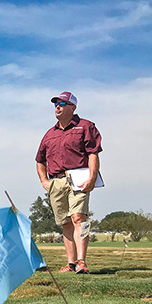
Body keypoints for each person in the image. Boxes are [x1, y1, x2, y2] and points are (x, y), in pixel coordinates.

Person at [35, 91, 102, 274]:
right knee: (65, 222)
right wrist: (44, 181)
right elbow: (40, 160)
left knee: (78, 217)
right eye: (56, 103)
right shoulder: (49, 134)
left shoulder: (85, 126)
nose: (58, 106)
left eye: (62, 104)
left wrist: (92, 177)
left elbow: (93, 154)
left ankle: (82, 261)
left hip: (79, 178)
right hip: (56, 182)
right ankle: (71, 264)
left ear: (73, 107)